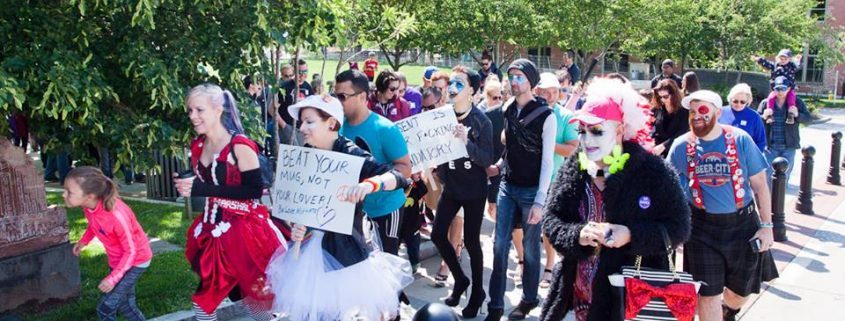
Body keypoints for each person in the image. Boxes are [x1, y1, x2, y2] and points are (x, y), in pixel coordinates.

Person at [540, 78, 691, 321]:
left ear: (620, 130)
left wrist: (631, 235)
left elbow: (679, 228)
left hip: (629, 302)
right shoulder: (575, 166)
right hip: (575, 297)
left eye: (597, 131)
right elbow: (552, 220)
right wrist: (577, 234)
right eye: (583, 131)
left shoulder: (652, 170)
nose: (587, 140)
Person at [266, 95, 413, 321]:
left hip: (345, 253)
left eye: (309, 121)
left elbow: (400, 177)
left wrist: (371, 184)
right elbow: (303, 204)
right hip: (310, 252)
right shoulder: (307, 154)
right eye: (302, 122)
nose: (302, 128)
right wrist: (298, 226)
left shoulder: (350, 153)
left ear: (332, 123)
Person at [174, 84, 285, 321]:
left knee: (211, 300)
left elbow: (254, 190)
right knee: (242, 295)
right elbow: (210, 182)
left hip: (241, 231)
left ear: (217, 110)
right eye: (190, 110)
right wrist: (189, 183)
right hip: (211, 226)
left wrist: (201, 188)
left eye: (199, 110)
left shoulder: (240, 146)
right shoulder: (199, 145)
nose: (193, 116)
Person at [668, 90, 778, 321]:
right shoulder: (680, 146)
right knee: (707, 295)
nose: (697, 115)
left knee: (739, 293)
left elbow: (760, 185)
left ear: (718, 113)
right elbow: (666, 187)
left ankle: (729, 309)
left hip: (743, 225)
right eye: (692, 111)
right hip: (701, 229)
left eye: (703, 109)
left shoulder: (740, 140)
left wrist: (767, 226)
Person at [484, 59, 558, 321]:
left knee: (529, 245)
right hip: (507, 186)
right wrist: (498, 165)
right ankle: (494, 304)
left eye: (519, 77)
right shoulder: (507, 109)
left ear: (531, 81)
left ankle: (528, 298)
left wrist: (540, 201)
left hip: (531, 192)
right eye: (511, 76)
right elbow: (511, 148)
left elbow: (547, 161)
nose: (514, 82)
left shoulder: (546, 115)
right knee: (499, 244)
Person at [431, 66, 494, 318]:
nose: (453, 87)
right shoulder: (442, 115)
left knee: (471, 242)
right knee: (437, 235)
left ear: (472, 90)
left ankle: (477, 292)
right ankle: (460, 279)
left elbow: (487, 158)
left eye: (460, 83)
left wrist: (466, 142)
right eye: (452, 82)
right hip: (452, 186)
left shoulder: (482, 120)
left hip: (474, 189)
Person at [335, 69, 412, 255]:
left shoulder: (385, 128)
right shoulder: (336, 127)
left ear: (362, 96)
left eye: (342, 96)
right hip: (352, 211)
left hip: (385, 208)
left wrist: (374, 184)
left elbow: (405, 168)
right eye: (335, 95)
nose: (338, 101)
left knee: (386, 265)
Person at [66, 166, 153, 321]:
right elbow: (95, 224)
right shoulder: (89, 207)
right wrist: (84, 241)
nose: (64, 194)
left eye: (69, 192)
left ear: (90, 196)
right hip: (119, 261)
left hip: (136, 261)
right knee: (125, 305)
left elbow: (131, 251)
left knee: (105, 308)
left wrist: (113, 278)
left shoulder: (116, 215)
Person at [534, 72, 579, 289]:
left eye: (554, 91)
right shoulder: (529, 112)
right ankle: (527, 264)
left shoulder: (566, 116)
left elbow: (572, 148)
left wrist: (547, 142)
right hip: (529, 178)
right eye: (546, 91)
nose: (550, 96)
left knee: (547, 226)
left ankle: (550, 266)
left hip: (555, 180)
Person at [758, 76, 801, 186]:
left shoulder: (796, 102)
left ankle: (780, 201)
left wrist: (797, 115)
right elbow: (757, 121)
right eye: (778, 89)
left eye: (783, 88)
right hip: (770, 147)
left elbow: (809, 119)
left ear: (788, 89)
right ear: (774, 89)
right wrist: (763, 116)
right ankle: (769, 201)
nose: (780, 92)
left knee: (784, 178)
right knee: (768, 176)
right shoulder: (765, 103)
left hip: (788, 147)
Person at [753, 49, 802, 124]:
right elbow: (767, 64)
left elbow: (797, 66)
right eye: (781, 59)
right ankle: (769, 115)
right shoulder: (775, 66)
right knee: (770, 98)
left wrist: (797, 60)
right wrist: (759, 59)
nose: (783, 61)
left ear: (789, 59)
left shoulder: (791, 66)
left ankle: (790, 115)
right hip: (777, 88)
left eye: (785, 59)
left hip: (788, 88)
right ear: (778, 58)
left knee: (791, 99)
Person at [719, 83, 767, 152]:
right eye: (735, 101)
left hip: (745, 156)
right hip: (722, 154)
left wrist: (754, 159)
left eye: (742, 102)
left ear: (747, 101)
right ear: (730, 99)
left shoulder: (754, 116)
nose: (738, 104)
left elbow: (760, 141)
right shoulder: (720, 112)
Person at [277, 59, 313, 145]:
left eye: (305, 71)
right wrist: (284, 125)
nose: (302, 75)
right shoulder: (285, 86)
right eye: (300, 71)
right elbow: (272, 108)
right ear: (294, 72)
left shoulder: (308, 87)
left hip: (302, 129)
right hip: (286, 128)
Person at [650, 79, 689, 158]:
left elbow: (682, 133)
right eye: (659, 97)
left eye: (665, 97)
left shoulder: (684, 111)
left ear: (674, 95)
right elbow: (649, 127)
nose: (662, 100)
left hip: (675, 151)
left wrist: (663, 146)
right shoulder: (657, 109)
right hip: (656, 151)